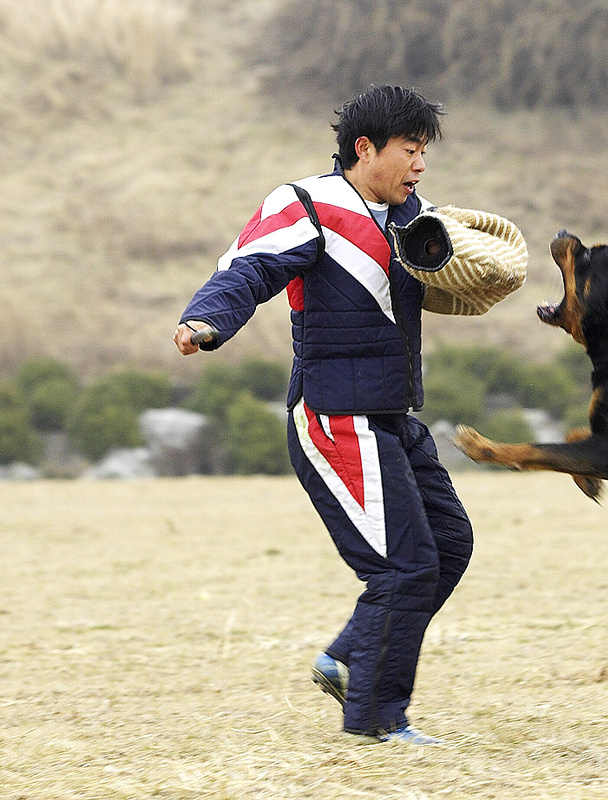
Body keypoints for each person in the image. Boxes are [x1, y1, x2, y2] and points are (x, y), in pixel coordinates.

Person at [174, 85, 483, 745]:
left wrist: (480, 267)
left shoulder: (413, 215)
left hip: (394, 415)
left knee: (449, 546)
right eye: (411, 149)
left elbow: (453, 279)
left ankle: (347, 657)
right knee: (404, 565)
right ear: (365, 148)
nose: (420, 164)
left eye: (425, 151)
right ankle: (377, 716)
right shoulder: (307, 204)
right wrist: (206, 320)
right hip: (335, 417)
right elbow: (246, 269)